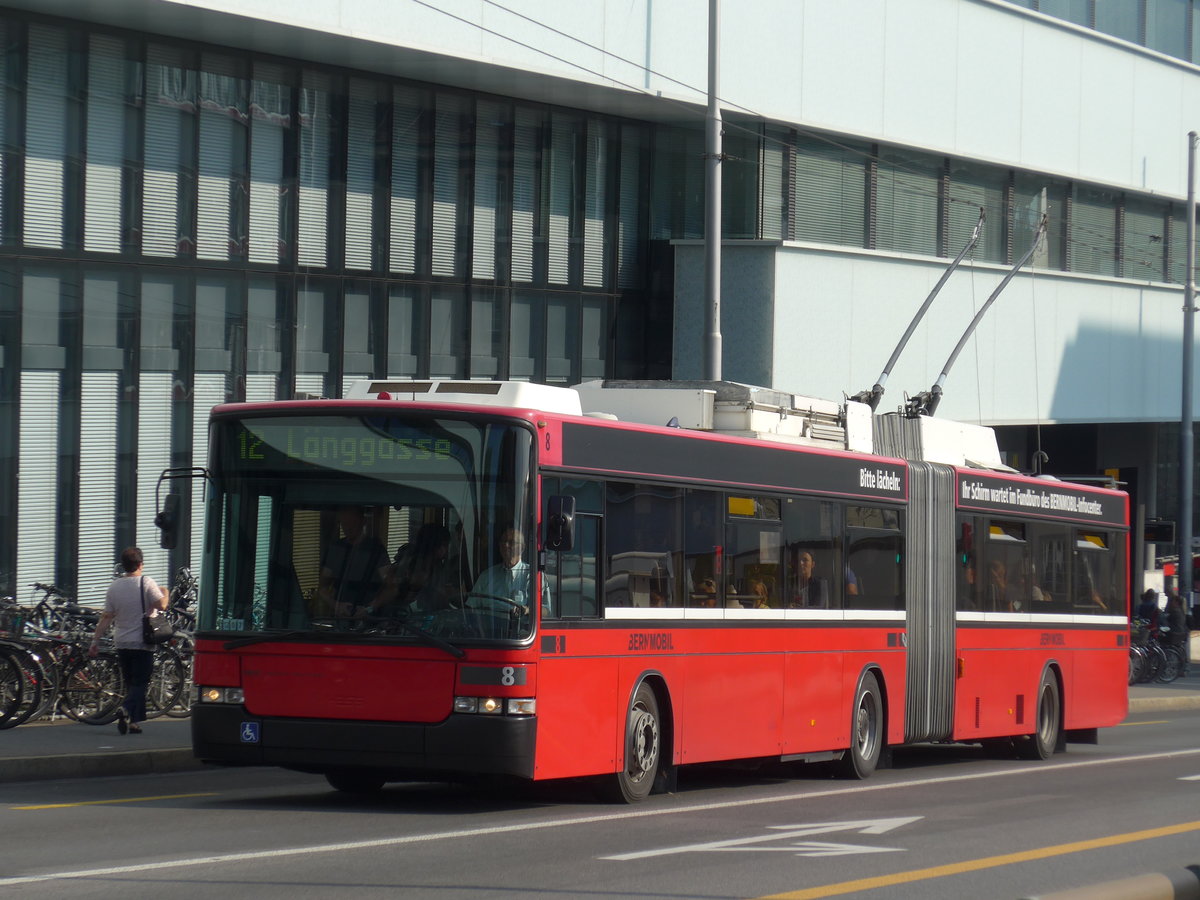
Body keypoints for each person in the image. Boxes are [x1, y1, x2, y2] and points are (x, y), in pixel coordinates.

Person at [88, 546, 167, 735]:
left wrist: (95, 641)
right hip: (142, 642)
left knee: (131, 683)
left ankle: (133, 722)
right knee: (141, 682)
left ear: (123, 565)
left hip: (122, 642)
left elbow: (107, 616)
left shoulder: (114, 586)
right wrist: (166, 590)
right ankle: (125, 709)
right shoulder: (146, 582)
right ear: (140, 564)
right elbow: (162, 605)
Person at [319, 506, 389, 617]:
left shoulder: (376, 550)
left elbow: (391, 588)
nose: (348, 527)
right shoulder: (335, 549)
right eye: (344, 523)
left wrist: (369, 608)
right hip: (341, 619)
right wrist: (335, 605)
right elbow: (322, 588)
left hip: (370, 620)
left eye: (352, 523)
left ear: (363, 521)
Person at [374, 522, 453, 614]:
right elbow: (393, 590)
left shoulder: (437, 565)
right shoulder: (410, 563)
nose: (445, 550)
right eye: (443, 545)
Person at [470, 524, 550, 616]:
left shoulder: (533, 575)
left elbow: (545, 610)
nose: (506, 545)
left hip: (521, 628)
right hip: (488, 627)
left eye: (511, 542)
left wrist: (527, 610)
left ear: (522, 548)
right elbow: (471, 606)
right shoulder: (487, 575)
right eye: (503, 541)